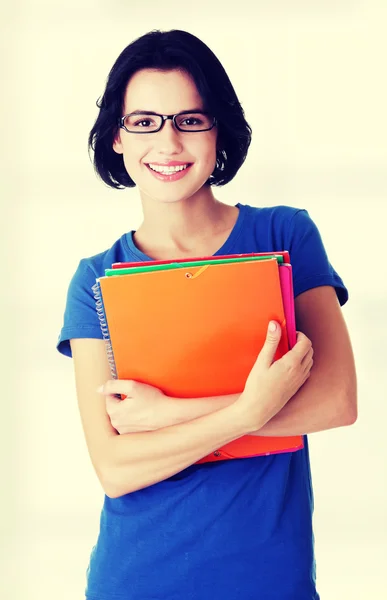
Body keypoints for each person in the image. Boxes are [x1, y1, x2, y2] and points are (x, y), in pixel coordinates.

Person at [56, 29, 357, 600]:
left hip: (270, 579)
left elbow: (337, 401)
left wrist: (169, 415)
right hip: (136, 577)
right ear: (117, 138)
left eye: (190, 120)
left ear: (218, 130)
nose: (168, 143)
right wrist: (255, 408)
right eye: (144, 121)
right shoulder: (95, 279)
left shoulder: (284, 234)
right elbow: (115, 468)